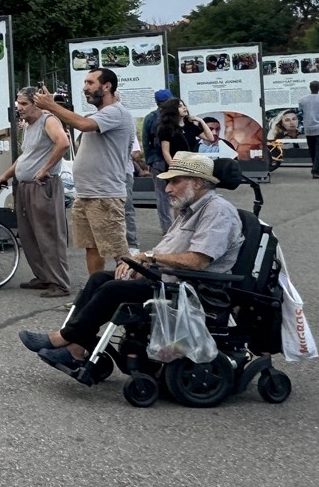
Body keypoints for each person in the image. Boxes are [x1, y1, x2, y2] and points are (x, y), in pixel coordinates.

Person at [18, 152, 243, 371]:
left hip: (192, 288)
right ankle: (76, 349)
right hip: (168, 277)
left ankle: (63, 338)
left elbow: (198, 261)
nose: (167, 189)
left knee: (113, 290)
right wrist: (139, 262)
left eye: (175, 182)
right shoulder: (189, 210)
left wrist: (149, 259)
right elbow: (167, 249)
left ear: (198, 183)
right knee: (99, 279)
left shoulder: (218, 212)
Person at [35, 69, 132, 276]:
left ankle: (131, 294)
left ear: (107, 86)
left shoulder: (116, 112)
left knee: (118, 251)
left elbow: (83, 124)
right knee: (92, 246)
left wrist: (51, 105)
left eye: (90, 82)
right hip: (87, 193)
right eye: (85, 83)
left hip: (105, 194)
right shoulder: (99, 114)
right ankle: (95, 292)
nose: (85, 87)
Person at [0, 87, 71, 298]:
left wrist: (44, 169)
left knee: (49, 235)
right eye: (18, 103)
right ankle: (43, 276)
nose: (19, 107)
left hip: (42, 186)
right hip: (25, 186)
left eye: (24, 103)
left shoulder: (49, 120)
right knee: (29, 235)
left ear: (36, 103)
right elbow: (26, 156)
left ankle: (60, 283)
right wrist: (6, 175)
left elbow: (63, 142)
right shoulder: (28, 126)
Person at [156, 98, 215, 233]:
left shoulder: (189, 126)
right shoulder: (166, 128)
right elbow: (166, 151)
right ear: (173, 110)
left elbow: (210, 138)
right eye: (180, 106)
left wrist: (200, 121)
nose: (184, 108)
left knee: (194, 196)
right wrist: (174, 169)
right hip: (177, 167)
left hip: (192, 166)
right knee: (179, 200)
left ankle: (193, 226)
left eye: (184, 105)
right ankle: (179, 229)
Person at [300, 81, 319, 178]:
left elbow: (301, 113)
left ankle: (316, 168)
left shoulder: (302, 100)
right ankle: (316, 171)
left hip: (308, 129)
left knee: (312, 150)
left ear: (309, 87)